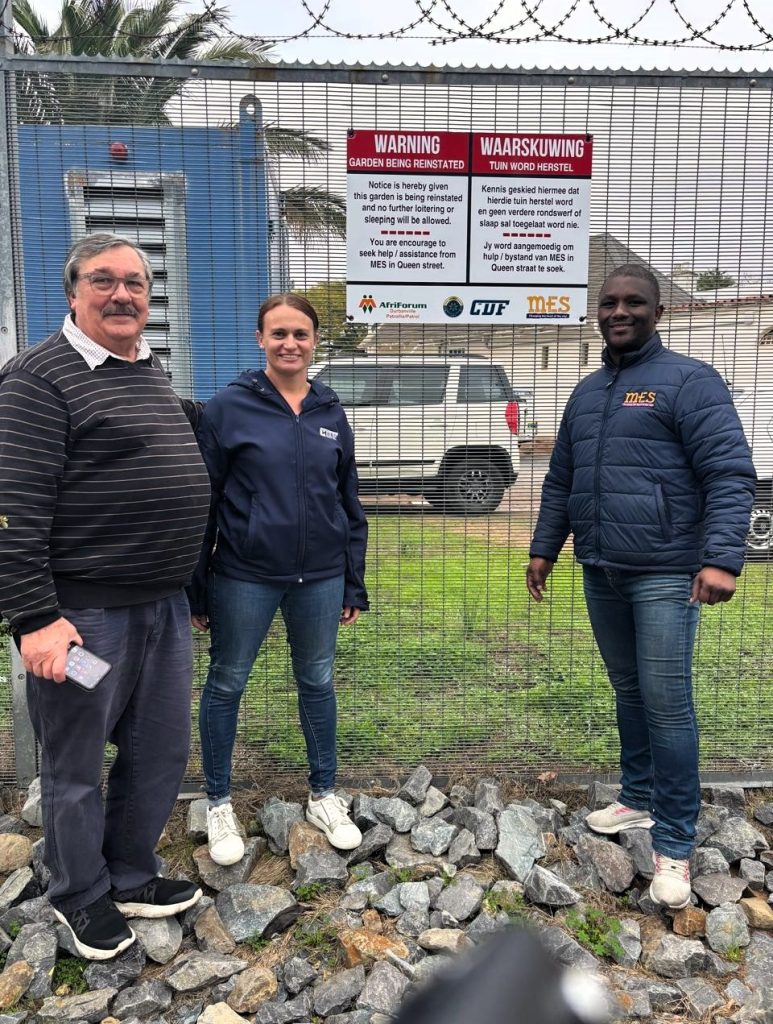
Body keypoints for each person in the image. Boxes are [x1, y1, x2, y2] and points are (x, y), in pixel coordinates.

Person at [0, 233, 211, 960]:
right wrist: (33, 617)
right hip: (82, 619)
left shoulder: (145, 370)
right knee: (75, 763)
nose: (123, 295)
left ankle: (128, 872)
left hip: (161, 608)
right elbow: (12, 504)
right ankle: (78, 894)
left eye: (136, 283)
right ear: (73, 291)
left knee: (158, 751)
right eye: (104, 281)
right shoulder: (37, 377)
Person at [526, 264, 755, 910]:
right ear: (597, 313)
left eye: (633, 302)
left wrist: (720, 560)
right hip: (601, 569)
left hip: (664, 573)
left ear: (658, 312)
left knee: (665, 700)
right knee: (628, 689)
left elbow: (730, 473)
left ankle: (675, 846)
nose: (618, 311)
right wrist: (545, 550)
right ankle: (638, 796)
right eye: (608, 302)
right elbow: (562, 483)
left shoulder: (688, 382)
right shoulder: (587, 392)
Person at [190, 293, 368, 865]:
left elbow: (348, 500)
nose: (290, 343)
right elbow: (205, 503)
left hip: (318, 578)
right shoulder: (228, 408)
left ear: (315, 341)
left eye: (301, 334)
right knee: (227, 681)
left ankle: (323, 793)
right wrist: (198, 585)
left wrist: (351, 580)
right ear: (260, 339)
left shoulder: (330, 411)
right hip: (244, 575)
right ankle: (217, 801)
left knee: (317, 681)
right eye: (278, 334)